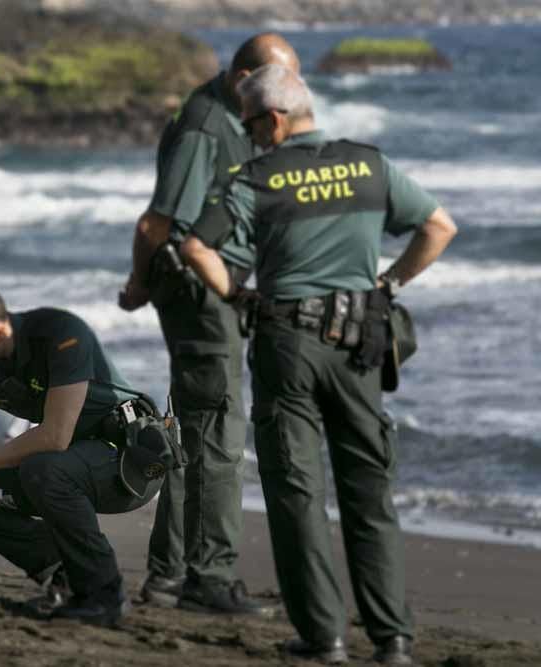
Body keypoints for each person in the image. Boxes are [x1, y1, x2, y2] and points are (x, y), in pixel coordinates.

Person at [181, 64, 457, 664]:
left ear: (274, 120)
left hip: (288, 345)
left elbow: (196, 245)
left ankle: (325, 638)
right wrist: (388, 283)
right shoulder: (369, 165)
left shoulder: (256, 179)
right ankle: (394, 639)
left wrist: (234, 294)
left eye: (252, 126)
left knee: (298, 494)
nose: (251, 137)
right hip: (362, 344)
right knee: (369, 493)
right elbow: (439, 226)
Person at [118, 32, 299, 614]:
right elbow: (157, 224)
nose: (291, 96)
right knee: (216, 434)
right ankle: (208, 578)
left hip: (212, 287)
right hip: (195, 291)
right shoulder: (205, 126)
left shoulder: (237, 115)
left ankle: (172, 575)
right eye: (281, 82)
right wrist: (139, 285)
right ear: (245, 76)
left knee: (198, 429)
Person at [0, 283, 165, 627]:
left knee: (44, 468)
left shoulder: (60, 333)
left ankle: (103, 593)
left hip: (126, 463)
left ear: (0, 331)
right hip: (65, 462)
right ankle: (61, 571)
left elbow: (56, 435)